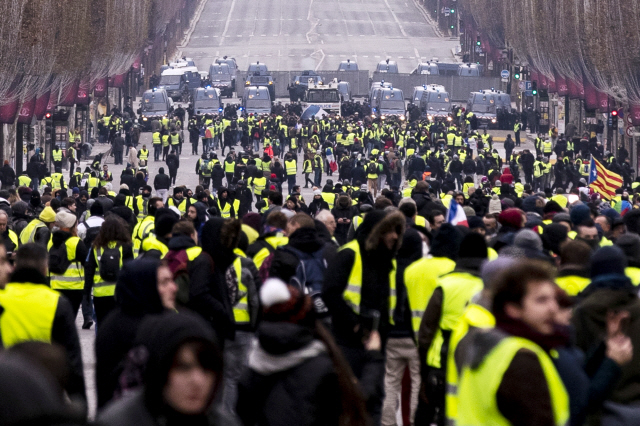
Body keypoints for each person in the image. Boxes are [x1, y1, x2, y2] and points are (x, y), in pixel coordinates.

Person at [237, 278, 371, 426]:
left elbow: (243, 413)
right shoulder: (324, 368)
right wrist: (375, 358)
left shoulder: (252, 368)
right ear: (308, 318)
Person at [456, 260, 569, 426]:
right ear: (512, 308)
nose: (553, 308)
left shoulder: (486, 345)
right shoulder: (522, 357)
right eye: (541, 300)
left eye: (554, 299)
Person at [323, 210, 405, 424]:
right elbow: (330, 293)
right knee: (352, 400)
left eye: (398, 231)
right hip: (349, 343)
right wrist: (357, 326)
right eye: (390, 231)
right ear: (377, 232)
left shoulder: (389, 261)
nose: (395, 236)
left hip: (377, 345)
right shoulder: (349, 254)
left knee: (375, 400)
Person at [97, 312, 234, 426]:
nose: (197, 381)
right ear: (160, 371)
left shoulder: (225, 422)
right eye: (183, 368)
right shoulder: (118, 421)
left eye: (207, 368)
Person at [0, 243, 86, 406]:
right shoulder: (57, 303)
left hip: (6, 388)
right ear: (44, 268)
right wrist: (81, 404)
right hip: (46, 391)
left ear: (15, 265)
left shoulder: (2, 298)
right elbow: (73, 362)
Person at [94, 258, 176, 408]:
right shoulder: (134, 330)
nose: (174, 287)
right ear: (145, 286)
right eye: (164, 282)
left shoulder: (116, 321)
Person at [85, 216, 134, 325]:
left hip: (100, 294)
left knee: (102, 325)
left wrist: (86, 293)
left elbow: (89, 271)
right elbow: (130, 270)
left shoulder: (95, 247)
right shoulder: (125, 246)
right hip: (120, 293)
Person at [48, 210, 88, 319]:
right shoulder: (76, 242)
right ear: (71, 226)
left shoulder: (51, 242)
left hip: (55, 285)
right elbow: (86, 263)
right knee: (69, 320)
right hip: (74, 288)